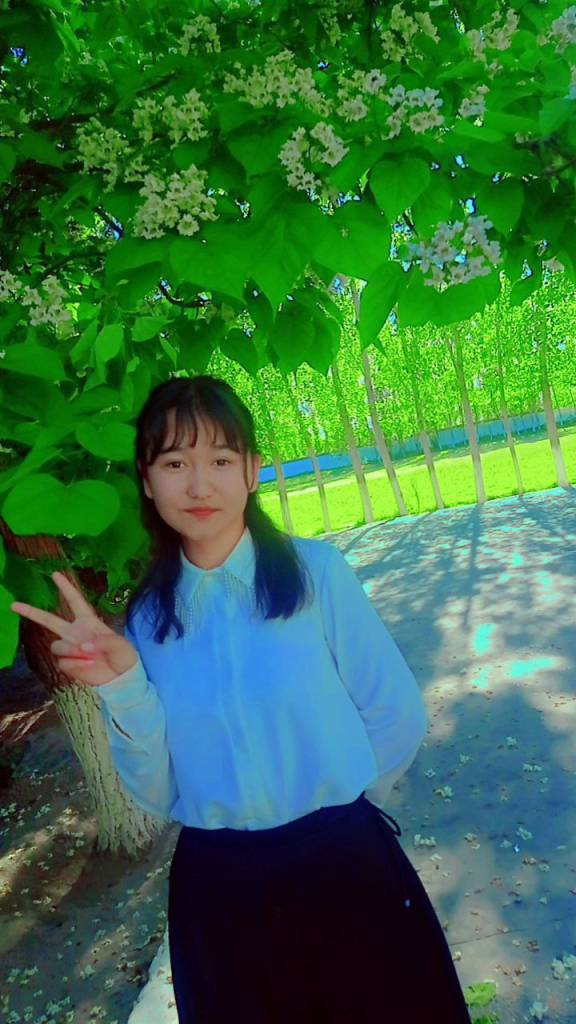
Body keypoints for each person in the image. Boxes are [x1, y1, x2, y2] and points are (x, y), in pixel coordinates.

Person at [11, 374, 472, 1023]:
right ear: (147, 480)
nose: (200, 485)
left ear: (252, 471)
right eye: (175, 463)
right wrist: (119, 685)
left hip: (347, 865)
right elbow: (156, 789)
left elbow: (396, 713)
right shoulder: (147, 622)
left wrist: (343, 816)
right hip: (221, 889)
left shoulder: (316, 576)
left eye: (221, 460)